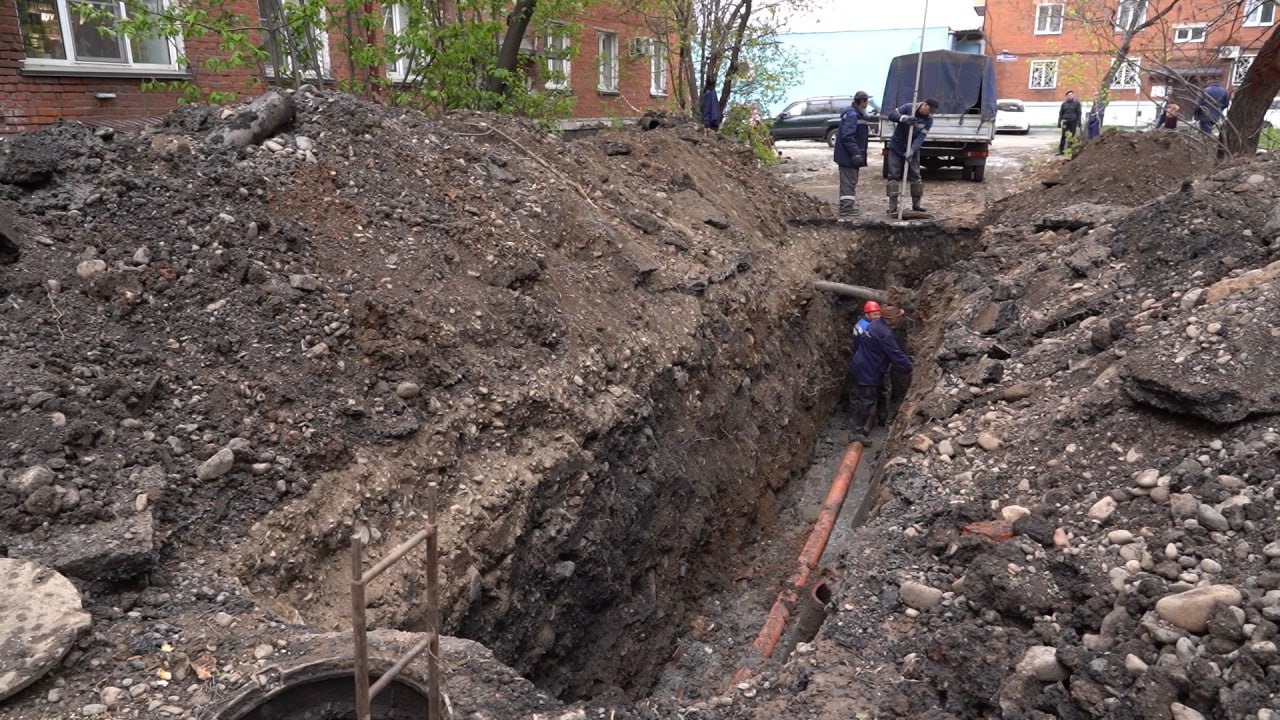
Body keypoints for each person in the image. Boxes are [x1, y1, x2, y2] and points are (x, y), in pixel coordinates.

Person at [848, 300, 913, 443]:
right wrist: (910, 368)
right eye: (897, 317)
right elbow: (895, 354)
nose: (899, 319)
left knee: (862, 398)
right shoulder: (884, 334)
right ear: (890, 320)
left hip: (861, 363)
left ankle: (859, 427)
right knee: (866, 400)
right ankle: (856, 433)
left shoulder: (875, 324)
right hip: (868, 370)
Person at [884, 98, 938, 217]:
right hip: (897, 146)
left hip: (912, 148)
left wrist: (912, 150)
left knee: (915, 175)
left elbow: (920, 137)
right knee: (893, 175)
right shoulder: (908, 108)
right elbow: (892, 115)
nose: (929, 114)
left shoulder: (928, 120)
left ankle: (916, 205)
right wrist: (904, 118)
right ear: (924, 105)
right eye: (929, 110)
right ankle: (892, 207)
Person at [833, 91, 872, 218]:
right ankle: (846, 208)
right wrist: (855, 153)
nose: (867, 104)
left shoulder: (856, 115)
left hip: (848, 156)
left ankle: (847, 206)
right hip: (848, 156)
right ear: (862, 101)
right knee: (849, 181)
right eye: (867, 101)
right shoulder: (852, 115)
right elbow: (847, 137)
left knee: (850, 180)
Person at [1057, 90, 1082, 155]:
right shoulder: (1064, 104)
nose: (1070, 96)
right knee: (1063, 136)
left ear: (1073, 95)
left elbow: (1079, 113)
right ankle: (1061, 151)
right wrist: (1059, 122)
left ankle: (1070, 150)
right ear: (1066, 96)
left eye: (1071, 95)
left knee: (1072, 136)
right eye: (1068, 95)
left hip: (1073, 121)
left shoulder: (1076, 103)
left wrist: (1079, 121)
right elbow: (1061, 113)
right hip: (1065, 121)